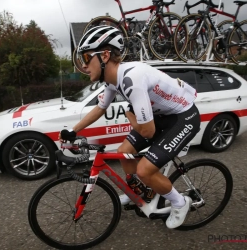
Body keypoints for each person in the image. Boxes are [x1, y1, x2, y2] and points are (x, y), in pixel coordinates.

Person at [59, 25, 201, 229]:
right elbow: (99, 109)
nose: (83, 65)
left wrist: (129, 116)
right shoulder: (112, 81)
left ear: (105, 55)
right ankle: (139, 191)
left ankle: (180, 202)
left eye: (87, 57)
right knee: (123, 152)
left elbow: (148, 132)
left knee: (144, 170)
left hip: (183, 118)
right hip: (162, 117)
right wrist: (73, 131)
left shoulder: (131, 80)